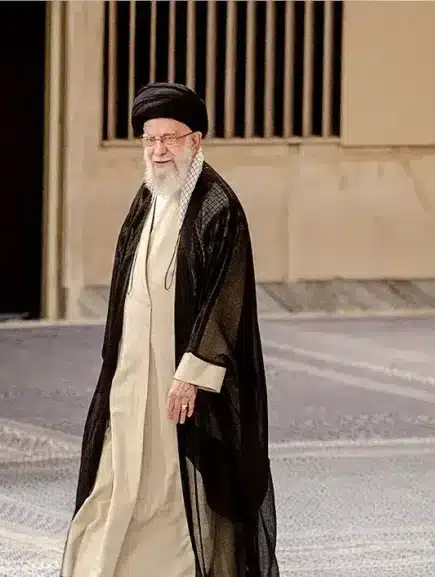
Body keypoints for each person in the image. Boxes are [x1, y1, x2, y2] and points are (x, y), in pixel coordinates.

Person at [60, 82, 279, 577]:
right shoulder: (149, 195)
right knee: (117, 472)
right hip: (132, 369)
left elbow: (228, 297)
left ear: (195, 141)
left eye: (170, 139)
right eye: (150, 140)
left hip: (179, 379)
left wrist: (192, 374)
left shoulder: (217, 206)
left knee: (172, 483)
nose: (159, 150)